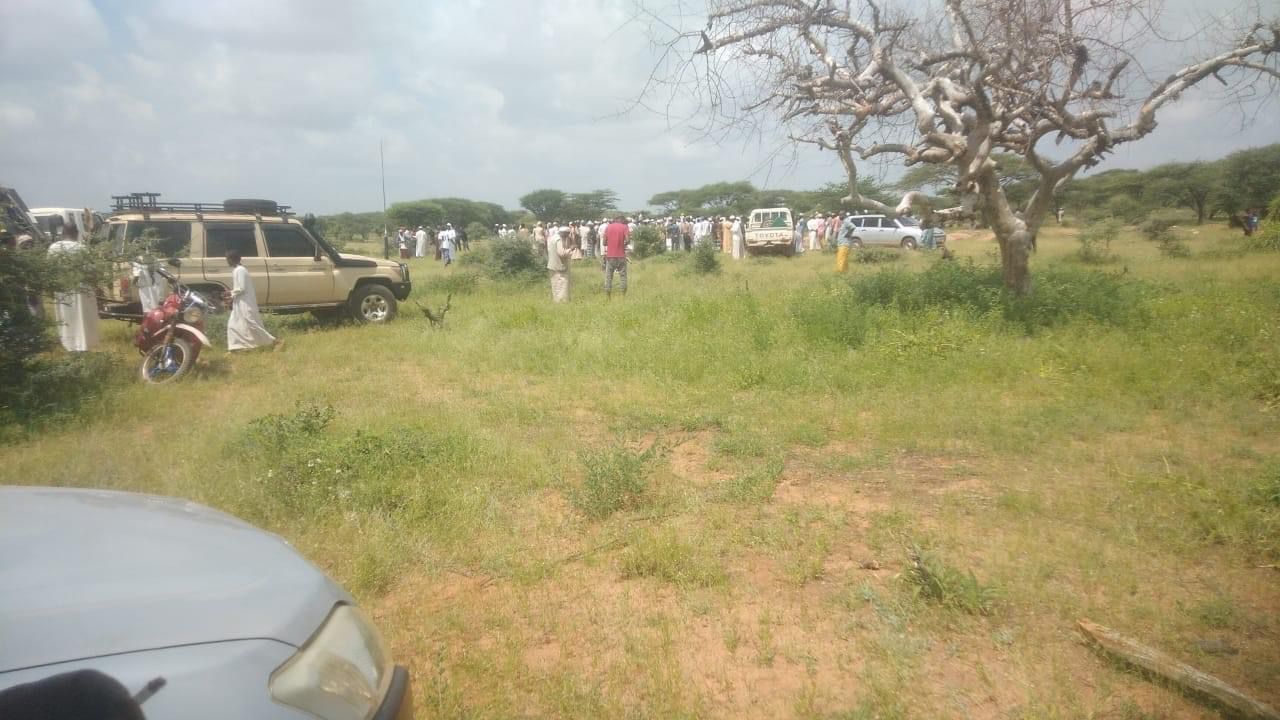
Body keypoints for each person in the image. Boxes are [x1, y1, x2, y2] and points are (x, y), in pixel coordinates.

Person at [46, 224, 100, 352]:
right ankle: (82, 346)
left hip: (62, 289)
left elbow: (49, 270)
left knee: (66, 318)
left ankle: (70, 346)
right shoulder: (82, 248)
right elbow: (92, 271)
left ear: (62, 233)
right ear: (76, 233)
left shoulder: (53, 248)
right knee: (83, 317)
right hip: (82, 289)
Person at [224, 249, 279, 351]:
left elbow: (241, 288)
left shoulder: (240, 270)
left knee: (251, 324)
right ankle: (235, 348)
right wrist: (231, 295)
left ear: (232, 259)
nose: (227, 261)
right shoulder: (238, 270)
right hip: (239, 302)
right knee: (233, 325)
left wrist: (230, 293)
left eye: (227, 259)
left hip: (245, 303)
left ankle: (275, 341)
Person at [603, 215, 629, 298]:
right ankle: (623, 296)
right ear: (621, 220)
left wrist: (610, 243)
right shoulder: (624, 227)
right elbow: (628, 240)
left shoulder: (608, 227)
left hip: (610, 256)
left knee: (608, 277)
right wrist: (623, 244)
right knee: (623, 276)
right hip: (621, 255)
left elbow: (604, 242)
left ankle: (608, 297)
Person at [547, 226, 573, 303]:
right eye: (567, 234)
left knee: (555, 285)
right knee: (562, 285)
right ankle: (563, 302)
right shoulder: (559, 240)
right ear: (564, 233)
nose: (567, 236)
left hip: (552, 264)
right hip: (559, 265)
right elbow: (561, 253)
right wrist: (571, 249)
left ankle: (557, 301)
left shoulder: (552, 238)